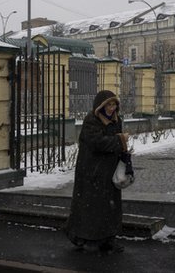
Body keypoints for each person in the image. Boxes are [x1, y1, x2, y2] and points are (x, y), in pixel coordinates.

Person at [65, 90, 130, 254]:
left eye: (114, 104)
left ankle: (109, 239)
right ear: (100, 106)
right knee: (91, 207)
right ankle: (86, 237)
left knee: (111, 208)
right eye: (108, 104)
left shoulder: (116, 120)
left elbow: (115, 143)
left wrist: (124, 152)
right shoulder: (91, 121)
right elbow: (97, 143)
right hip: (91, 171)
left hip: (110, 172)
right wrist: (119, 140)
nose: (111, 108)